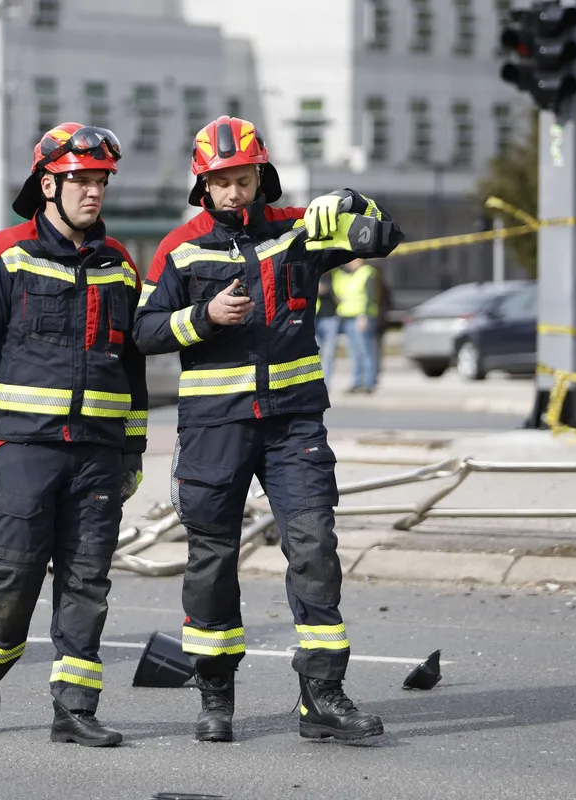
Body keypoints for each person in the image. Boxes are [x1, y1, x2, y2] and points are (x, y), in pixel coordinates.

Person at [133, 115, 403, 743]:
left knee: (313, 549)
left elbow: (380, 237)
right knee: (212, 561)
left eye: (243, 178)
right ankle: (216, 695)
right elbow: (145, 334)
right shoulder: (180, 247)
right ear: (204, 185)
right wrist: (204, 316)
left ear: (262, 175)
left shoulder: (296, 231)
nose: (234, 192)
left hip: (292, 427)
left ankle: (322, 697)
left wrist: (352, 204)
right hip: (214, 429)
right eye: (221, 181)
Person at [0, 123, 147, 747]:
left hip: (96, 452)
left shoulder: (119, 264)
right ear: (47, 184)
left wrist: (133, 447)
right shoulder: (4, 254)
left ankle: (74, 708)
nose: (93, 193)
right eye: (80, 181)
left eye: (99, 181)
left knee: (88, 579)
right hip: (23, 447)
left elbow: (132, 362)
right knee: (14, 576)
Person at [334, 258, 381, 393]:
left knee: (365, 351)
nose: (349, 263)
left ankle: (369, 383)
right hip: (348, 317)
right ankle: (357, 382)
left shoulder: (367, 273)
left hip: (361, 318)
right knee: (354, 353)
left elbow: (371, 296)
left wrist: (364, 316)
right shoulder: (348, 275)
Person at [314, 273, 340, 389]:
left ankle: (325, 383)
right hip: (316, 318)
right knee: (315, 354)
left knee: (329, 353)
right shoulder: (314, 271)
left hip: (331, 317)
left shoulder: (336, 274)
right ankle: (316, 382)